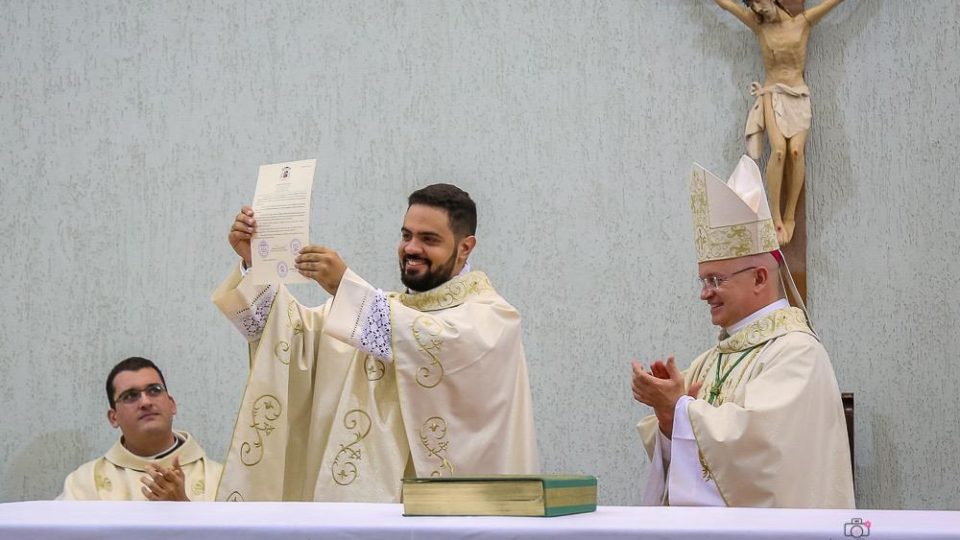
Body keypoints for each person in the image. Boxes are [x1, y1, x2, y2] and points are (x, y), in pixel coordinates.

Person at [213, 183, 539, 502]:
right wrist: (255, 265)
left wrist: (346, 287)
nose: (411, 248)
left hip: (451, 519)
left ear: (465, 247)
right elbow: (290, 338)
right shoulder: (375, 313)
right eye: (406, 235)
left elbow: (433, 340)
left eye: (429, 239)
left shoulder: (492, 318)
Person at [631, 156, 854, 508]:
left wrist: (683, 410)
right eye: (703, 280)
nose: (704, 293)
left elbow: (762, 451)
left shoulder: (797, 354)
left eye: (715, 280)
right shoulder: (711, 361)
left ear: (760, 278)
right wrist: (668, 416)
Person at [712, 0, 848, 245]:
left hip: (798, 94)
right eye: (753, 6)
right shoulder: (759, 27)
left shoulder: (803, 22)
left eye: (760, 2)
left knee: (795, 152)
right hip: (772, 94)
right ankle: (774, 216)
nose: (759, 9)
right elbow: (726, 6)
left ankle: (789, 216)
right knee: (778, 151)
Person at [58, 357, 222, 501]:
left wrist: (183, 509)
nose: (145, 402)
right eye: (130, 395)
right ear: (113, 417)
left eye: (154, 390)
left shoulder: (221, 479)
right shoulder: (83, 483)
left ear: (172, 404)